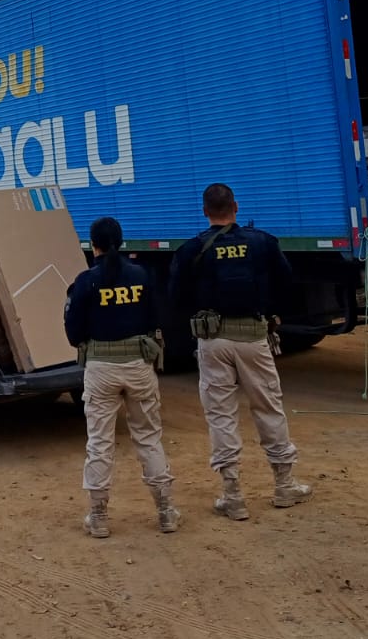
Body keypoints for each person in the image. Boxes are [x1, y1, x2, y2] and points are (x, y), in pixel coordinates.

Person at [169, 183, 311, 521]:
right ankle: (284, 485)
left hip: (212, 340)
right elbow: (287, 284)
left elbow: (176, 296)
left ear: (205, 211)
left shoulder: (192, 249)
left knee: (220, 415)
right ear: (235, 206)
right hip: (253, 337)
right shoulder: (262, 242)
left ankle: (232, 495)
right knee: (268, 407)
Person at [63, 216, 179, 538]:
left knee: (100, 442)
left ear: (93, 245)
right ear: (122, 242)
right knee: (148, 437)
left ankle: (98, 517)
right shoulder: (142, 275)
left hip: (100, 370)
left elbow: (73, 332)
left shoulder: (85, 282)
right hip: (139, 366)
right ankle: (166, 511)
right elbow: (157, 318)